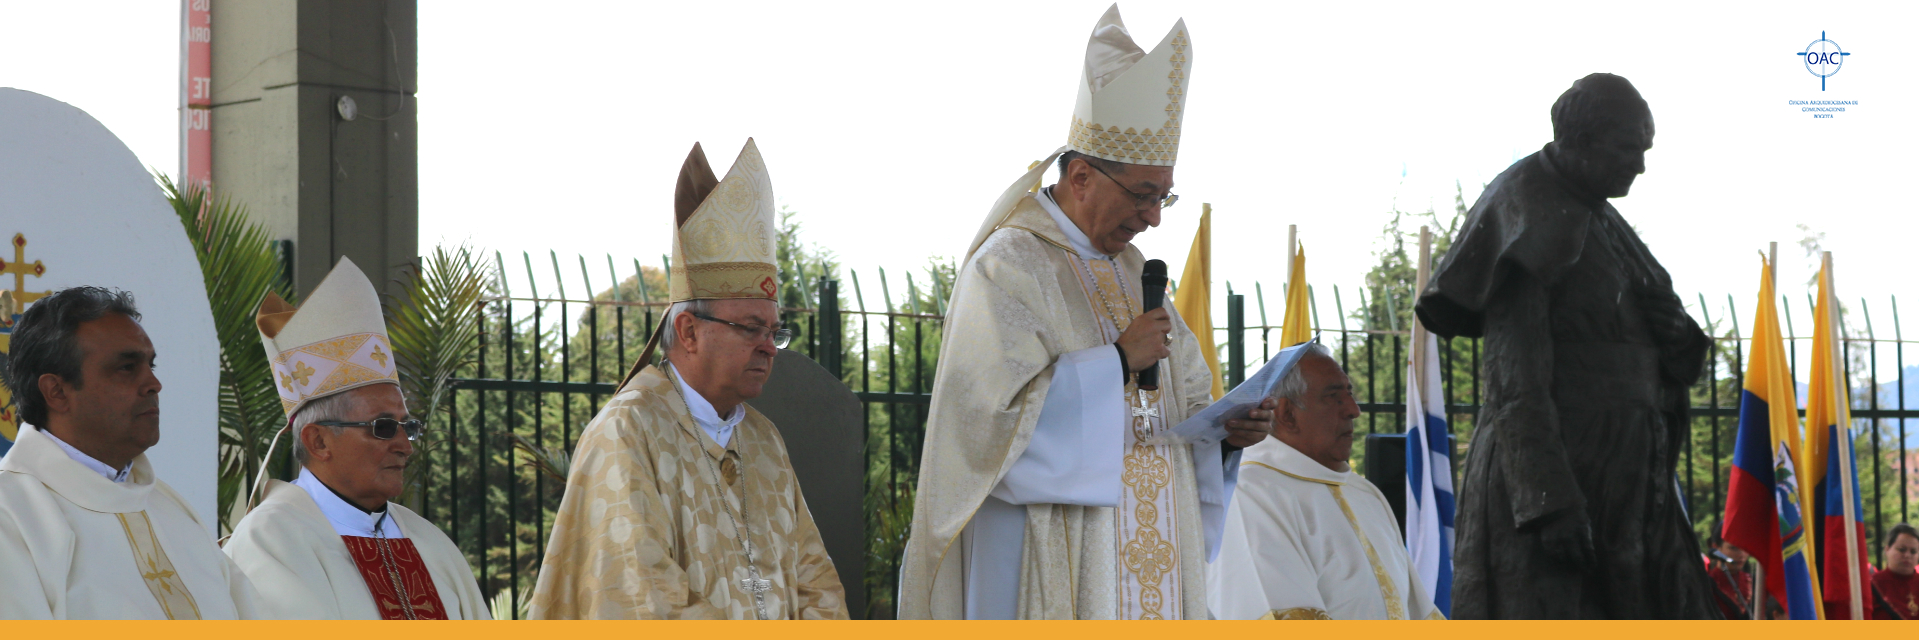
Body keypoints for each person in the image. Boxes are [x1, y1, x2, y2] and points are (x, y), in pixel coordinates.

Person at [897, 4, 1276, 620]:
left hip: (1159, 557)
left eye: (1166, 196)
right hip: (1059, 558)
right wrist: (1117, 362)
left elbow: (1186, 402)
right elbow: (984, 432)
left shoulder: (1135, 270)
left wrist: (1225, 435)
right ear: (1080, 177)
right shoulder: (1008, 266)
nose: (1154, 218)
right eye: (1144, 195)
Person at [1414, 73, 1719, 619]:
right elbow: (1514, 378)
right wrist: (1548, 501)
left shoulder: (1598, 211)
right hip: (1564, 482)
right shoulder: (1528, 209)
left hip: (1629, 482)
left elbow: (1655, 346)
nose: (1639, 166)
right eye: (1628, 148)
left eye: (1644, 150)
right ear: (1582, 139)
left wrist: (1679, 336)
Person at [529, 139, 847, 620]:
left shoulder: (763, 438)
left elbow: (815, 580)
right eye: (750, 328)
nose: (768, 346)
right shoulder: (627, 432)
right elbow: (639, 594)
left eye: (773, 332)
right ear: (689, 331)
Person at [223, 258, 489, 619]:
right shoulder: (271, 539)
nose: (405, 446)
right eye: (383, 427)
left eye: (408, 427)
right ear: (318, 442)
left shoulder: (428, 541)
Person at [0, 287, 257, 619]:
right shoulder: (13, 515)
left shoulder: (169, 507)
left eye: (151, 365)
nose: (154, 384)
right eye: (126, 368)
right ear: (57, 391)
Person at [1208, 344, 1443, 620]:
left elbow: (1416, 612)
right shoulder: (1250, 493)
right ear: (1287, 414)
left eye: (1350, 394)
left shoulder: (1364, 492)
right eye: (1333, 397)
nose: (1354, 410)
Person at [1871, 523, 1916, 620]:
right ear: (1887, 549)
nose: (1907, 555)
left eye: (1913, 551)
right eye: (1902, 550)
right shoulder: (1872, 584)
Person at [1705, 533, 1755, 620]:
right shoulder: (1706, 585)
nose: (1741, 554)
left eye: (1745, 548)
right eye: (1733, 548)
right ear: (1716, 548)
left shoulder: (1755, 583)